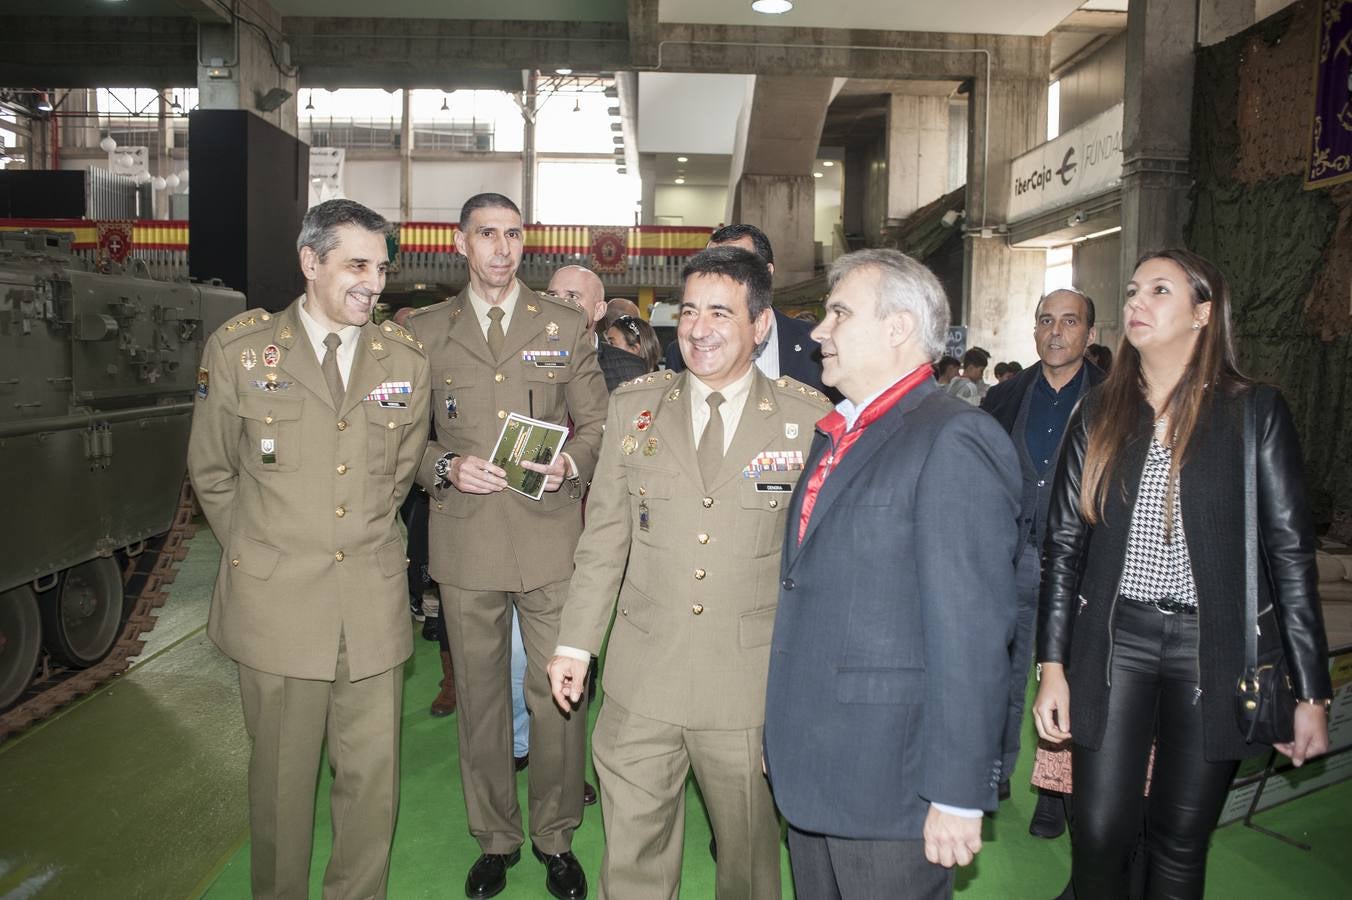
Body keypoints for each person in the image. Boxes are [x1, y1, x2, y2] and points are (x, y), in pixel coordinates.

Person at [1032, 249, 1332, 898]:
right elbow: (1063, 548)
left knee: (1178, 843)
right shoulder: (1098, 414)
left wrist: (1312, 692)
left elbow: (1289, 557)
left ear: (1203, 313)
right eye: (1133, 288)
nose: (1136, 301)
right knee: (1101, 835)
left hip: (1216, 652)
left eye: (1159, 290)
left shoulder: (1255, 414)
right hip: (1116, 645)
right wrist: (1051, 666)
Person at [547, 246, 829, 900]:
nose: (699, 328)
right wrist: (575, 642)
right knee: (633, 861)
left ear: (761, 325)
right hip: (643, 678)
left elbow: (815, 567)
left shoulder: (806, 418)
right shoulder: (635, 406)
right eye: (691, 310)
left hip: (749, 689)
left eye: (721, 313)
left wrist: (807, 683)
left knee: (750, 866)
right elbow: (606, 535)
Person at [187, 199, 430, 899]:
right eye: (357, 265)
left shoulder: (405, 360)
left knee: (371, 788)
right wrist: (265, 555)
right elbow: (212, 471)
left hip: (372, 607)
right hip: (277, 608)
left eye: (381, 268)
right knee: (280, 792)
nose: (373, 283)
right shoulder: (240, 352)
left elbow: (392, 479)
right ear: (310, 262)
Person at [763, 249, 1021, 899]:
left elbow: (974, 635)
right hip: (815, 759)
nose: (819, 330)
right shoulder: (838, 433)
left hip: (891, 777)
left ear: (899, 327)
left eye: (839, 313)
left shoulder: (953, 439)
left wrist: (960, 792)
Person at [408, 192, 606, 900]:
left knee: (559, 692)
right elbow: (402, 442)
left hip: (550, 537)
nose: (501, 247)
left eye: (513, 234)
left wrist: (571, 464)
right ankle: (495, 839)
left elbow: (597, 423)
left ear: (525, 243)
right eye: (486, 234)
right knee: (483, 702)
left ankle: (556, 837)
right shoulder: (426, 331)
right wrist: (445, 465)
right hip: (466, 542)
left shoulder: (562, 323)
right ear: (460, 243)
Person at [980, 288, 1104, 827]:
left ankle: (1055, 796)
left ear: (1090, 335)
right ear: (1033, 331)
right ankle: (993, 778)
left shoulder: (1119, 398)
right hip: (1008, 560)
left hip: (1080, 567)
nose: (1056, 331)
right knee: (996, 675)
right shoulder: (1002, 399)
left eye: (1069, 321)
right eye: (1046, 321)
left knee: (1067, 679)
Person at [664, 224, 830, 394]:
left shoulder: (817, 346)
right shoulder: (682, 351)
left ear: (766, 273)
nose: (719, 279)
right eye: (710, 267)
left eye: (735, 269)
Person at [547, 265, 647, 391]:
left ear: (599, 310)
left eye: (572, 297)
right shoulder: (525, 359)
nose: (559, 304)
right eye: (552, 296)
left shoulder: (631, 368)